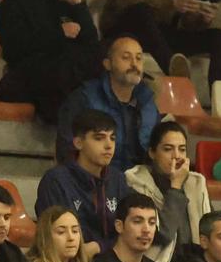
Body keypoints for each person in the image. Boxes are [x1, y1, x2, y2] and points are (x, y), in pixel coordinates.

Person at [0, 0, 102, 121]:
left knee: (107, 55)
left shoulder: (61, 4)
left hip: (63, 74)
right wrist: (59, 33)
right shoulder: (11, 6)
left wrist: (77, 6)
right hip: (30, 76)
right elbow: (17, 49)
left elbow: (90, 41)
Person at [53, 36, 158, 173]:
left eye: (138, 58)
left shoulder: (148, 104)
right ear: (107, 64)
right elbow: (66, 149)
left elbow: (157, 152)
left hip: (138, 184)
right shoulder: (84, 98)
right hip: (92, 182)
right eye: (126, 58)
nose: (134, 64)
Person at [36, 110, 128, 260]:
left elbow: (129, 232)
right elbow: (50, 234)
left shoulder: (118, 179)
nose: (108, 145)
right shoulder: (56, 180)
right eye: (99, 138)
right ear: (78, 143)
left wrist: (100, 246)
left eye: (112, 138)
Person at [124, 119, 209, 258]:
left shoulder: (196, 183)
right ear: (152, 152)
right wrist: (175, 186)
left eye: (182, 149)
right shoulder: (136, 183)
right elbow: (161, 235)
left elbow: (209, 230)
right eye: (168, 149)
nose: (177, 156)